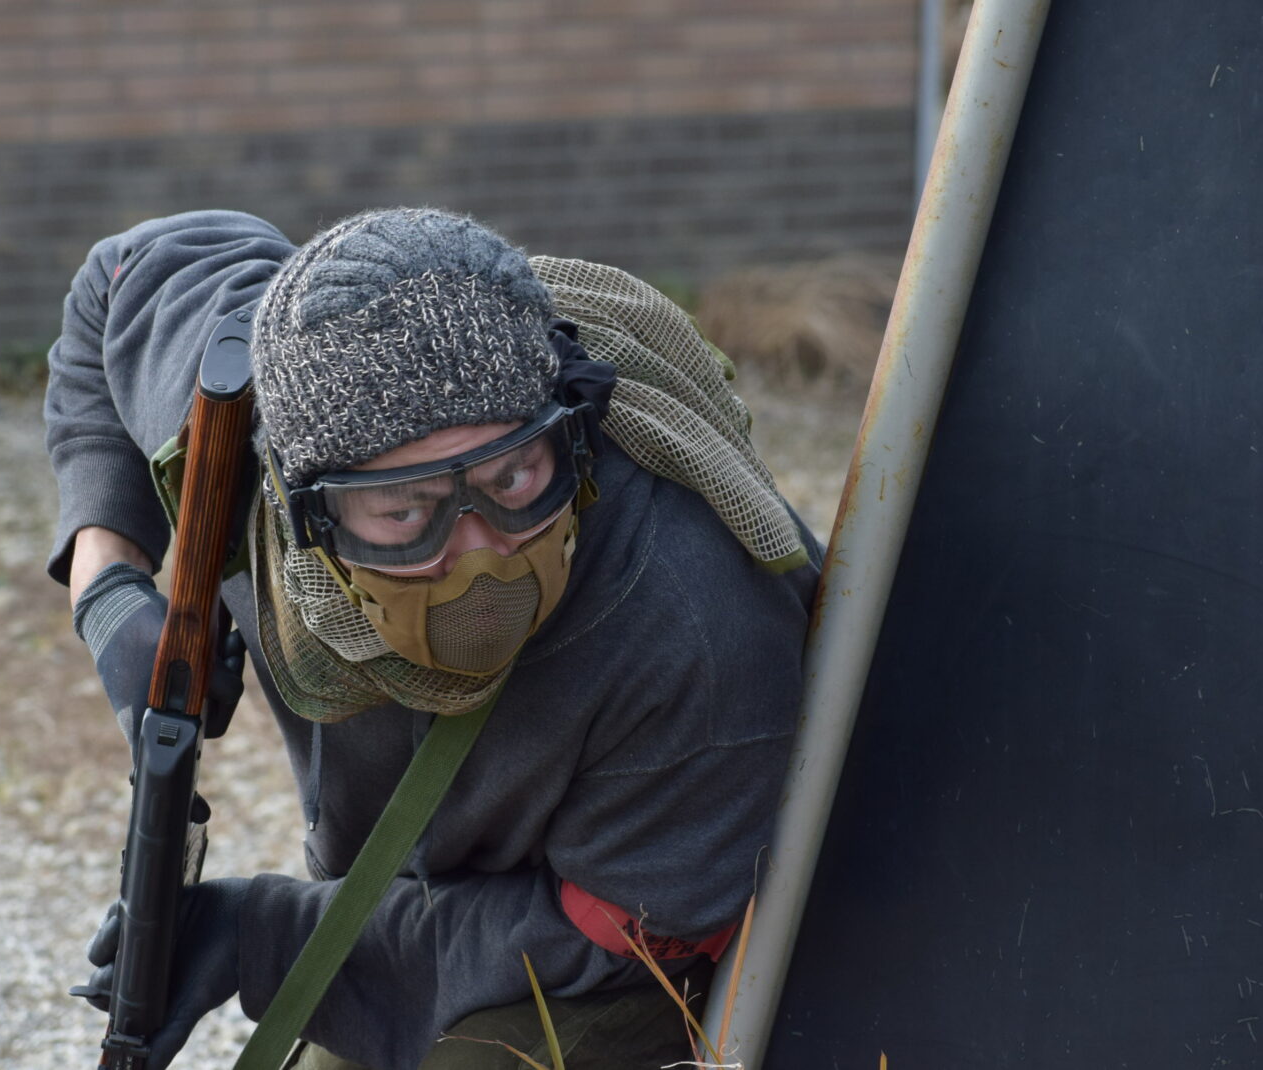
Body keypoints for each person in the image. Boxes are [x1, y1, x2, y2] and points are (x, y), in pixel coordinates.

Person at [46, 207, 821, 1070]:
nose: (482, 555)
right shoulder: (237, 438)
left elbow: (625, 932)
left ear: (571, 432)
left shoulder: (693, 623)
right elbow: (114, 283)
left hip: (636, 949)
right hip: (414, 895)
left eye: (513, 478)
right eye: (405, 512)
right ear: (305, 510)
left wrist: (263, 937)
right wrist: (107, 586)